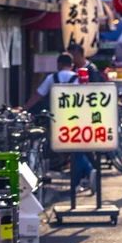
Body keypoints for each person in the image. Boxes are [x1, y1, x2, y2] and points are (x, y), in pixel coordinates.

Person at [23, 53, 96, 192]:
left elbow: (38, 95)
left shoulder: (52, 78)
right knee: (76, 149)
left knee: (69, 149)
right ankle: (84, 174)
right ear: (72, 65)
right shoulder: (78, 78)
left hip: (58, 121)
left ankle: (84, 174)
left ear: (59, 64)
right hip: (77, 120)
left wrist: (25, 108)